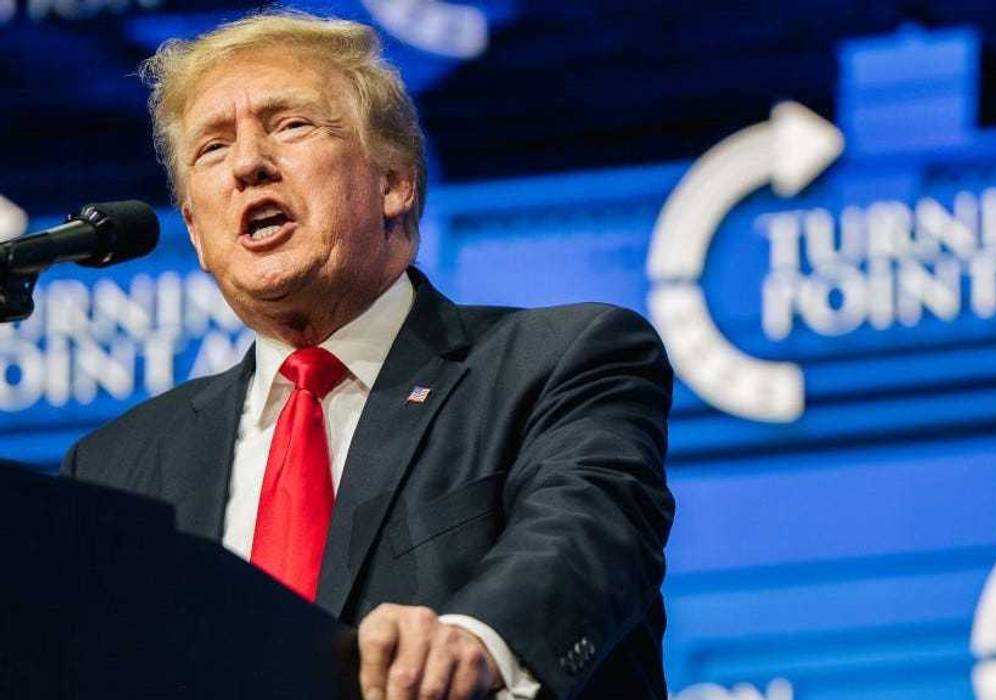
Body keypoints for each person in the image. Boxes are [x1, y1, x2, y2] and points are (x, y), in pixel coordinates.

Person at [59, 11, 674, 700]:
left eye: (289, 125)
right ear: (198, 236)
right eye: (211, 148)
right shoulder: (115, 466)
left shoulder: (559, 361)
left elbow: (585, 536)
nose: (247, 164)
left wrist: (475, 639)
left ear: (394, 182)